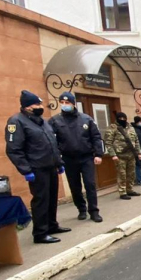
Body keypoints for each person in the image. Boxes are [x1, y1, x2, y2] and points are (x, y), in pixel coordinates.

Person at [5, 90, 70, 244]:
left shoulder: (42, 121)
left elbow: (52, 144)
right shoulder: (16, 121)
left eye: (40, 103)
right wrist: (26, 170)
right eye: (37, 104)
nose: (40, 106)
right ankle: (40, 233)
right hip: (36, 169)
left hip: (50, 167)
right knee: (41, 200)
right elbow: (14, 149)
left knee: (52, 198)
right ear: (27, 106)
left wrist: (59, 163)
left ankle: (52, 225)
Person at [48, 92, 104, 223]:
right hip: (68, 158)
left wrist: (98, 154)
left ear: (73, 104)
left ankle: (94, 211)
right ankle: (81, 209)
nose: (64, 105)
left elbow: (96, 137)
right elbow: (51, 141)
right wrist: (57, 158)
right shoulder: (55, 121)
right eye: (62, 102)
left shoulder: (86, 119)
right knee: (75, 186)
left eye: (67, 103)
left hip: (86, 157)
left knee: (90, 184)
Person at [103, 112, 141, 200]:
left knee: (131, 174)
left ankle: (130, 190)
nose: (122, 120)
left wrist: (139, 153)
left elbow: (136, 141)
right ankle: (122, 192)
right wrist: (113, 154)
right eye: (120, 118)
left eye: (124, 118)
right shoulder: (112, 128)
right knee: (122, 174)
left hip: (131, 155)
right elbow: (108, 143)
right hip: (120, 155)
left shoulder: (131, 128)